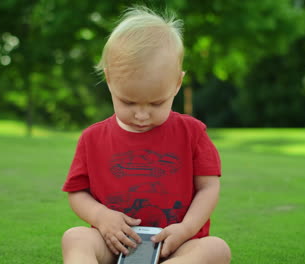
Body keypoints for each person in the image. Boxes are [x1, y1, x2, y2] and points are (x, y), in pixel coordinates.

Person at [61, 6, 231, 264]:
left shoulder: (192, 133)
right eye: (129, 103)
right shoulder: (92, 139)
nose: (141, 115)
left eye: (155, 104)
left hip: (176, 245)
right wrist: (100, 216)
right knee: (74, 237)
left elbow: (208, 187)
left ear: (177, 83)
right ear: (109, 80)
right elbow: (77, 192)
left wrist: (186, 229)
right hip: (115, 244)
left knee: (217, 249)